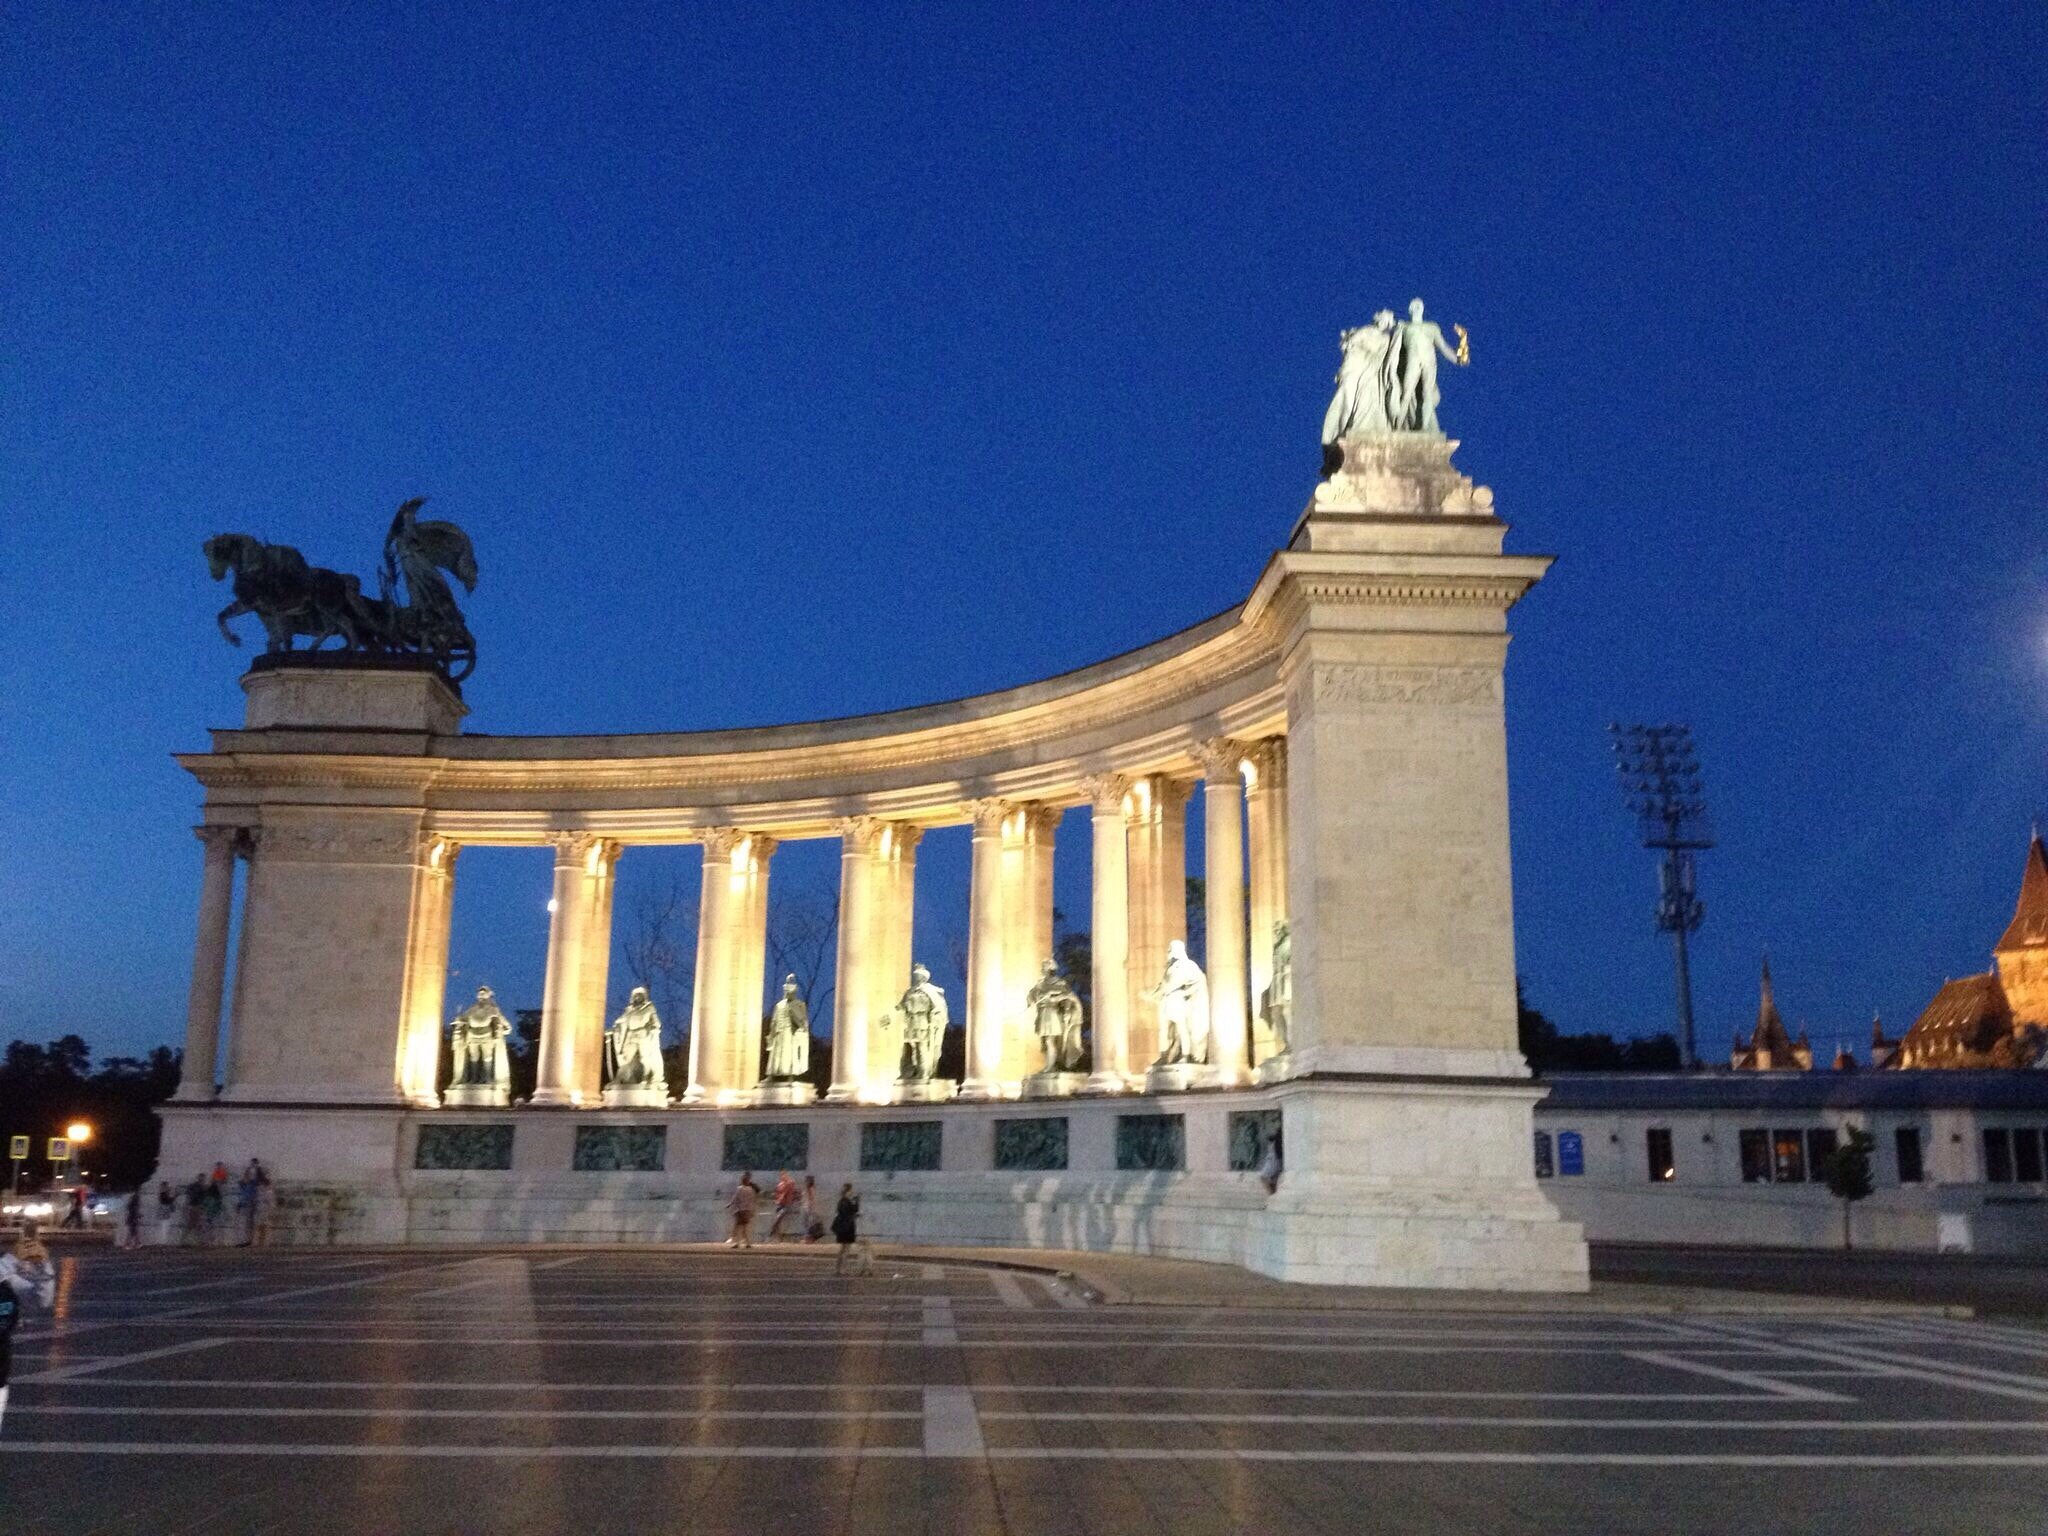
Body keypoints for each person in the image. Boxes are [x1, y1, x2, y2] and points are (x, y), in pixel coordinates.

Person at [1, 1220, 57, 1436]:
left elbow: (40, 1299)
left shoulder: (6, 1276)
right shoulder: (5, 1267)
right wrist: (13, 1259)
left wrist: (44, 1267)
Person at [831, 1183, 862, 1275]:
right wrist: (857, 1202)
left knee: (842, 1249)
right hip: (847, 1227)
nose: (852, 1192)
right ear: (848, 1191)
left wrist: (856, 1202)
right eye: (851, 1190)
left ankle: (838, 1269)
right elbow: (852, 1212)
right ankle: (843, 1269)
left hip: (842, 1227)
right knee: (846, 1249)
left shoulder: (842, 1201)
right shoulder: (847, 1201)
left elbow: (844, 1212)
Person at [765, 1171, 801, 1242]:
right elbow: (777, 1194)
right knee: (777, 1220)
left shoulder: (790, 1183)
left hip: (787, 1204)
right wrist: (776, 1199)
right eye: (782, 1175)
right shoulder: (780, 1185)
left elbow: (792, 1190)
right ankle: (777, 1238)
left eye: (785, 1175)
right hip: (780, 1203)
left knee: (778, 1218)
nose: (783, 1177)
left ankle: (770, 1234)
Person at [725, 1172, 758, 1249]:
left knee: (738, 1227)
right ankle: (748, 1243)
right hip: (748, 1210)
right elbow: (753, 1200)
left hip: (740, 1210)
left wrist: (729, 1205)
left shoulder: (739, 1189)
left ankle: (737, 1243)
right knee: (745, 1227)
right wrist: (752, 1210)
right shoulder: (751, 1190)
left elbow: (735, 1199)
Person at [236, 1161, 261, 1246]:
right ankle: (244, 1240)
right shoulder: (244, 1185)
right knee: (244, 1223)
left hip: (250, 1205)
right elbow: (241, 1195)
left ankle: (248, 1240)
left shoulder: (252, 1184)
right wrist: (239, 1204)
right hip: (245, 1205)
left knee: (249, 1223)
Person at [252, 1168, 277, 1247]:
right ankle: (260, 1242)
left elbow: (271, 1201)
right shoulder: (262, 1189)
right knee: (260, 1226)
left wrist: (271, 1210)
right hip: (261, 1208)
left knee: (262, 1226)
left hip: (264, 1208)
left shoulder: (266, 1190)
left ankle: (262, 1242)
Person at [1258, 1130, 1284, 1196]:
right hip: (1276, 1161)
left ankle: (1271, 1195)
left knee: (1264, 1177)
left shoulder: (1275, 1144)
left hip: (1273, 1161)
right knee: (1273, 1181)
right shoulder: (1276, 1143)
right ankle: (1272, 1194)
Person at [801, 1175, 824, 1243]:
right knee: (806, 1223)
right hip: (806, 1207)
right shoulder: (807, 1189)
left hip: (809, 1208)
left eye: (807, 1180)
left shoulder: (810, 1189)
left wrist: (811, 1208)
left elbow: (811, 1199)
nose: (806, 1182)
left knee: (808, 1224)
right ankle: (807, 1238)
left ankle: (808, 1238)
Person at [155, 1180, 177, 1245]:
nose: (168, 1187)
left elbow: (169, 1200)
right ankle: (163, 1241)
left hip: (165, 1211)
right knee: (165, 1226)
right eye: (167, 1186)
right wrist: (174, 1195)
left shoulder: (163, 1193)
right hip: (165, 1211)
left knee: (164, 1226)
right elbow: (168, 1200)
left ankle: (163, 1240)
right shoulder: (163, 1194)